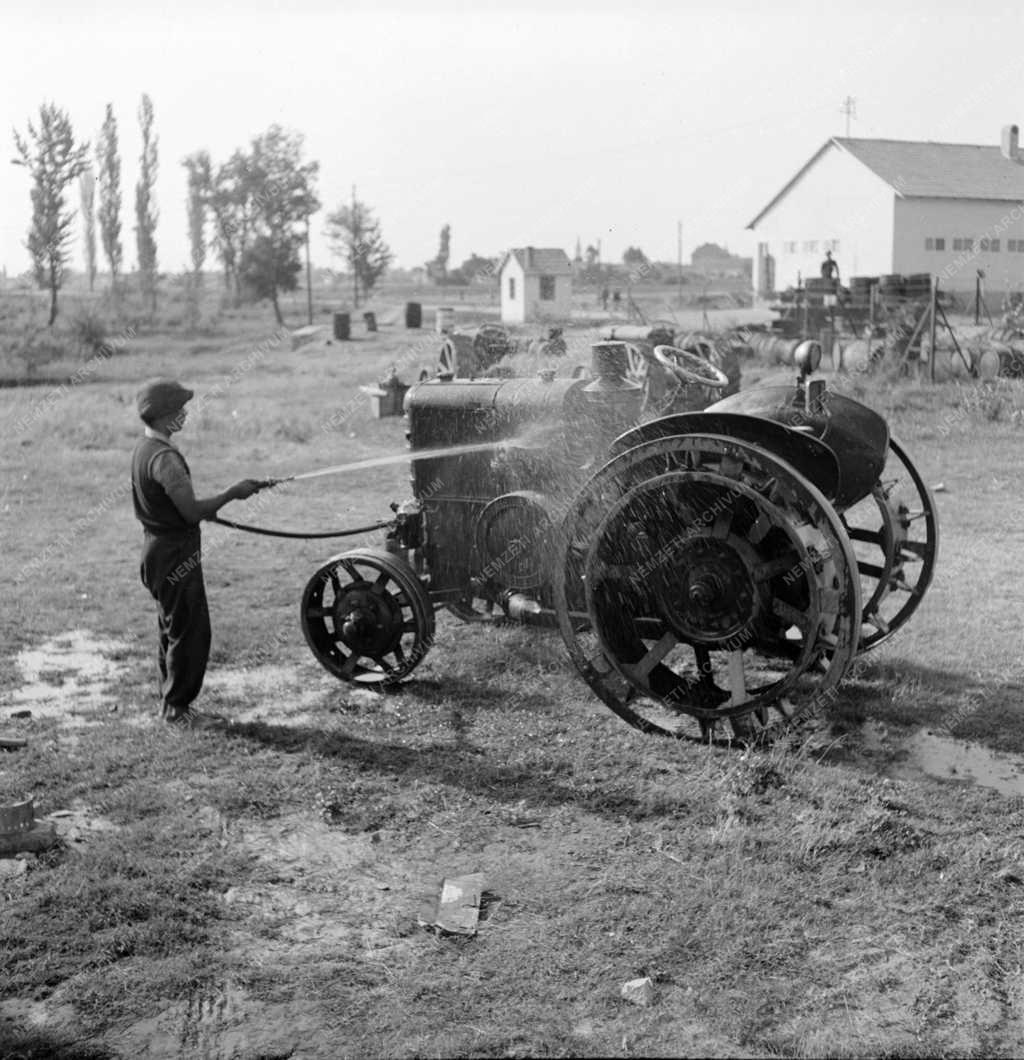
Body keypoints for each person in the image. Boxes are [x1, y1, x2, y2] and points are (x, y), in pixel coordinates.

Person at [130, 378, 271, 728]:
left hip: (157, 551)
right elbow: (191, 512)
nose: (184, 414)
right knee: (191, 631)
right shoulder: (165, 460)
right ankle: (178, 709)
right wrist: (231, 493)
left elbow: (179, 508)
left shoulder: (144, 450)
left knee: (172, 626)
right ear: (163, 417)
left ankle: (171, 704)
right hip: (175, 555)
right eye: (179, 410)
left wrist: (210, 506)